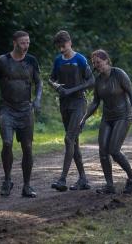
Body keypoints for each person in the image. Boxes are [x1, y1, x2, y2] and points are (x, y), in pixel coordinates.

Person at [0, 30, 43, 198]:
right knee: (7, 143)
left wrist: (38, 99)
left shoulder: (32, 61)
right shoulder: (2, 61)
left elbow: (39, 82)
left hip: (26, 109)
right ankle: (7, 180)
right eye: (22, 43)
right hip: (7, 109)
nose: (25, 46)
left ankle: (27, 186)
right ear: (15, 43)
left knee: (27, 147)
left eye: (28, 42)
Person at [80, 49, 132, 194]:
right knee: (103, 151)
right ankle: (109, 185)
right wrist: (83, 119)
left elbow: (131, 93)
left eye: (98, 62)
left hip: (123, 115)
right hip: (107, 117)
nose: (96, 65)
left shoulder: (119, 74)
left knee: (114, 150)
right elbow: (95, 102)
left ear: (106, 60)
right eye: (94, 63)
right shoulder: (98, 80)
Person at [49, 30, 94, 192]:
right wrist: (56, 86)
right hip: (64, 103)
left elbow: (91, 80)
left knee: (69, 139)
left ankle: (62, 179)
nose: (61, 50)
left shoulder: (80, 59)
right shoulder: (58, 61)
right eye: (59, 47)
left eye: (64, 46)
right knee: (74, 142)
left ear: (70, 42)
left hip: (79, 103)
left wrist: (72, 90)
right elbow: (51, 78)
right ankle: (83, 179)